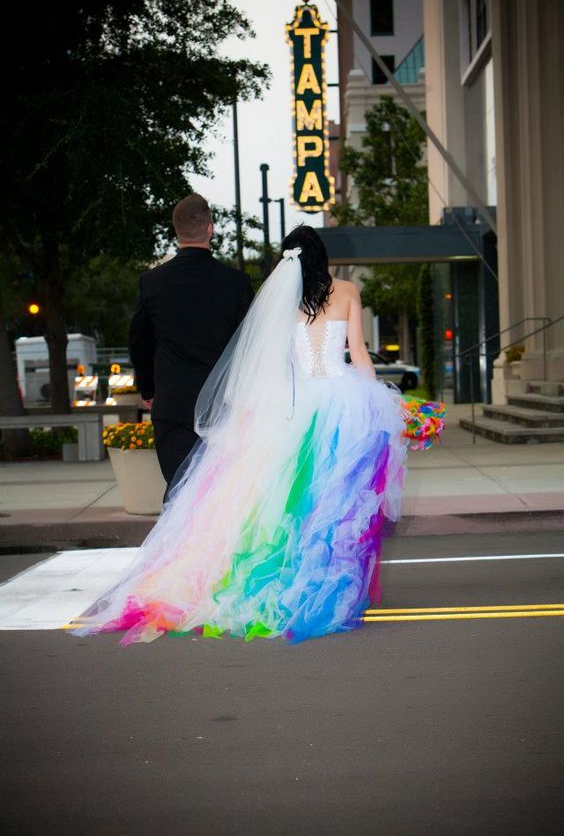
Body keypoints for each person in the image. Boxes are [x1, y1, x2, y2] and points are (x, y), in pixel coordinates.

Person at [73, 225, 444, 645]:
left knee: (285, 499)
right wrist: (380, 402)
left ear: (288, 261)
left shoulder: (278, 298)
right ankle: (325, 582)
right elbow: (359, 353)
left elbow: (272, 362)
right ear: (323, 257)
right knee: (332, 501)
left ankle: (287, 578)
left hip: (294, 405)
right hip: (341, 401)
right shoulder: (347, 291)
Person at [129, 193, 254, 498]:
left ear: (177, 232)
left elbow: (139, 341)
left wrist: (148, 389)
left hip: (173, 404)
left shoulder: (152, 282)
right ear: (210, 228)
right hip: (223, 407)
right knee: (220, 497)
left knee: (179, 492)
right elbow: (249, 346)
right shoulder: (236, 283)